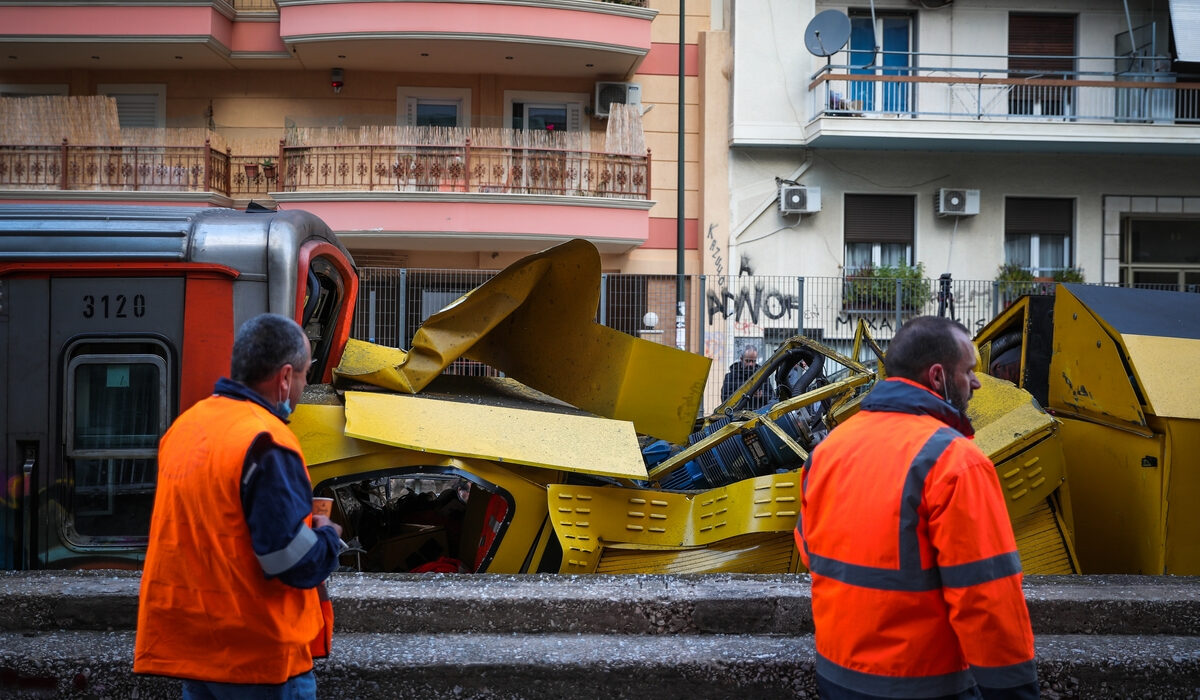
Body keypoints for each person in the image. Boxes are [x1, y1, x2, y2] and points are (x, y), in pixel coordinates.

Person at [796, 316, 1038, 699]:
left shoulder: (827, 452)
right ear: (938, 377)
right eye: (969, 371)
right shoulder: (954, 461)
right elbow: (986, 601)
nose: (976, 382)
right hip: (924, 686)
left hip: (837, 679)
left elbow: (812, 553)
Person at [134, 313, 344, 700]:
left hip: (196, 653)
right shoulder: (266, 443)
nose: (304, 384)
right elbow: (288, 561)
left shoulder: (186, 427)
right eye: (304, 374)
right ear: (284, 378)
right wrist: (328, 537)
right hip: (259, 659)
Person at [720, 345, 771, 409]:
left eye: (753, 361)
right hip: (736, 416)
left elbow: (771, 397)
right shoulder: (730, 377)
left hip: (758, 415)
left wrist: (761, 396)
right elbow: (725, 399)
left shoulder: (763, 375)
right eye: (747, 361)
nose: (750, 364)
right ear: (741, 359)